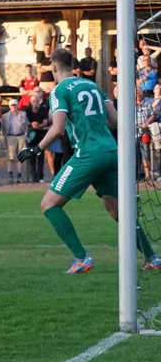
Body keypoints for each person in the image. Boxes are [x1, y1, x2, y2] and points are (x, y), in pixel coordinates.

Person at [20, 48, 161, 274]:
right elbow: (115, 119)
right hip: (111, 151)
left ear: (53, 67)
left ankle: (81, 258)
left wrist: (36, 148)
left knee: (49, 204)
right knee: (116, 209)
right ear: (72, 65)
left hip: (87, 153)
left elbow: (57, 128)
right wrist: (96, 130)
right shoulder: (92, 86)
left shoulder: (59, 90)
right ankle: (152, 257)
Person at [2, 98, 29, 183]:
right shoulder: (5, 116)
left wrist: (25, 135)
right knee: (10, 157)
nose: (13, 107)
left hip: (21, 136)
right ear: (9, 106)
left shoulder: (23, 114)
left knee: (20, 157)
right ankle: (10, 177)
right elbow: (3, 127)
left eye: (15, 105)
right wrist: (5, 136)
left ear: (17, 106)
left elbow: (26, 125)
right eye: (12, 105)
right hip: (10, 136)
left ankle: (19, 176)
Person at [26, 88, 50, 182]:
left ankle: (40, 176)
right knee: (31, 156)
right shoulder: (27, 110)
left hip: (41, 135)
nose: (35, 103)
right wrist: (32, 124)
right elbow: (25, 122)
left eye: (36, 101)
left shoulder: (43, 109)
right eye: (33, 101)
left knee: (40, 156)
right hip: (31, 136)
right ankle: (32, 176)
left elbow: (46, 121)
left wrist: (39, 125)